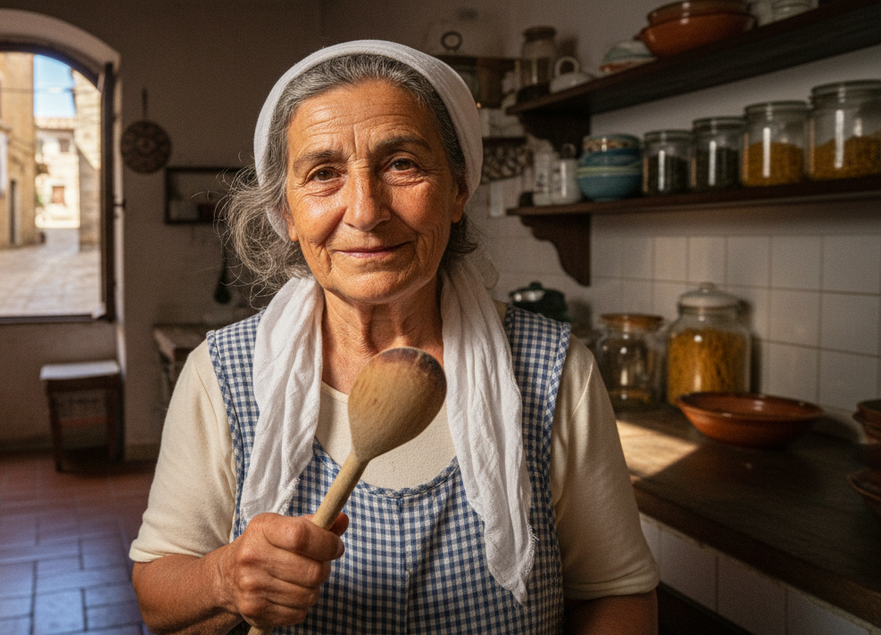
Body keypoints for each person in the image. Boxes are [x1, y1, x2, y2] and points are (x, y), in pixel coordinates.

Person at [129, 40, 659, 634]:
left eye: (402, 164)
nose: (365, 211)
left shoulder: (552, 370)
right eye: (323, 174)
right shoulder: (221, 374)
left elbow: (617, 595)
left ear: (458, 189)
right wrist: (224, 579)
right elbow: (158, 599)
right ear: (287, 212)